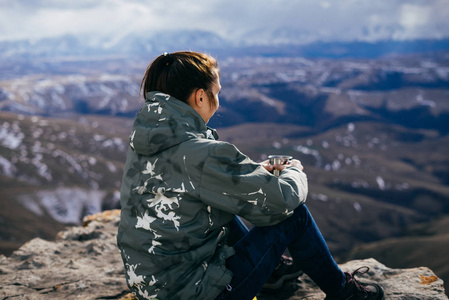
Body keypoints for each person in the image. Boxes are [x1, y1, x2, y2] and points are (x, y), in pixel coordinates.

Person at [116, 51, 385, 300]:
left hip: (152, 287)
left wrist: (249, 174)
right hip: (198, 294)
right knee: (296, 218)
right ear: (200, 97)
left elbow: (191, 184)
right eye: (215, 93)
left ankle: (272, 274)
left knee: (223, 201)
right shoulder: (199, 153)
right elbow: (282, 200)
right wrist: (292, 171)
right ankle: (344, 293)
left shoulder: (147, 140)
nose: (217, 101)